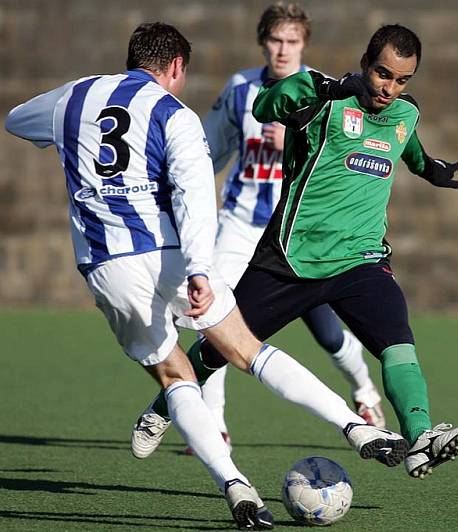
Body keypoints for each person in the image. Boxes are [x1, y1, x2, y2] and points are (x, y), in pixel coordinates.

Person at [4, 22, 407, 529]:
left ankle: (234, 484)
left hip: (110, 267)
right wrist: (199, 268)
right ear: (176, 67)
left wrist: (69, 144)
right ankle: (355, 427)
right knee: (247, 348)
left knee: (176, 375)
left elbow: (17, 120)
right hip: (174, 253)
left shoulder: (77, 96)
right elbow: (196, 197)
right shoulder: (175, 115)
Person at [130, 24, 458, 479]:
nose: (390, 89)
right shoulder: (321, 98)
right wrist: (316, 84)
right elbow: (263, 105)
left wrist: (431, 169)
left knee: (398, 343)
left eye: (402, 80)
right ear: (366, 64)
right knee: (217, 347)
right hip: (290, 260)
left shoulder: (405, 113)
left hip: (360, 260)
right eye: (383, 75)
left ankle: (421, 435)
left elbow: (405, 145)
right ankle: (161, 408)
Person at [194, 3, 385, 454]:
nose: (283, 49)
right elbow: (209, 152)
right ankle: (214, 426)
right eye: (275, 40)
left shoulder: (326, 89)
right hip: (240, 224)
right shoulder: (240, 88)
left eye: (292, 41)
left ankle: (365, 391)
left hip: (298, 229)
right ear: (263, 42)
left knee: (327, 331)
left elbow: (346, 159)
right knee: (212, 320)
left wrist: (297, 139)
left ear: (304, 44)